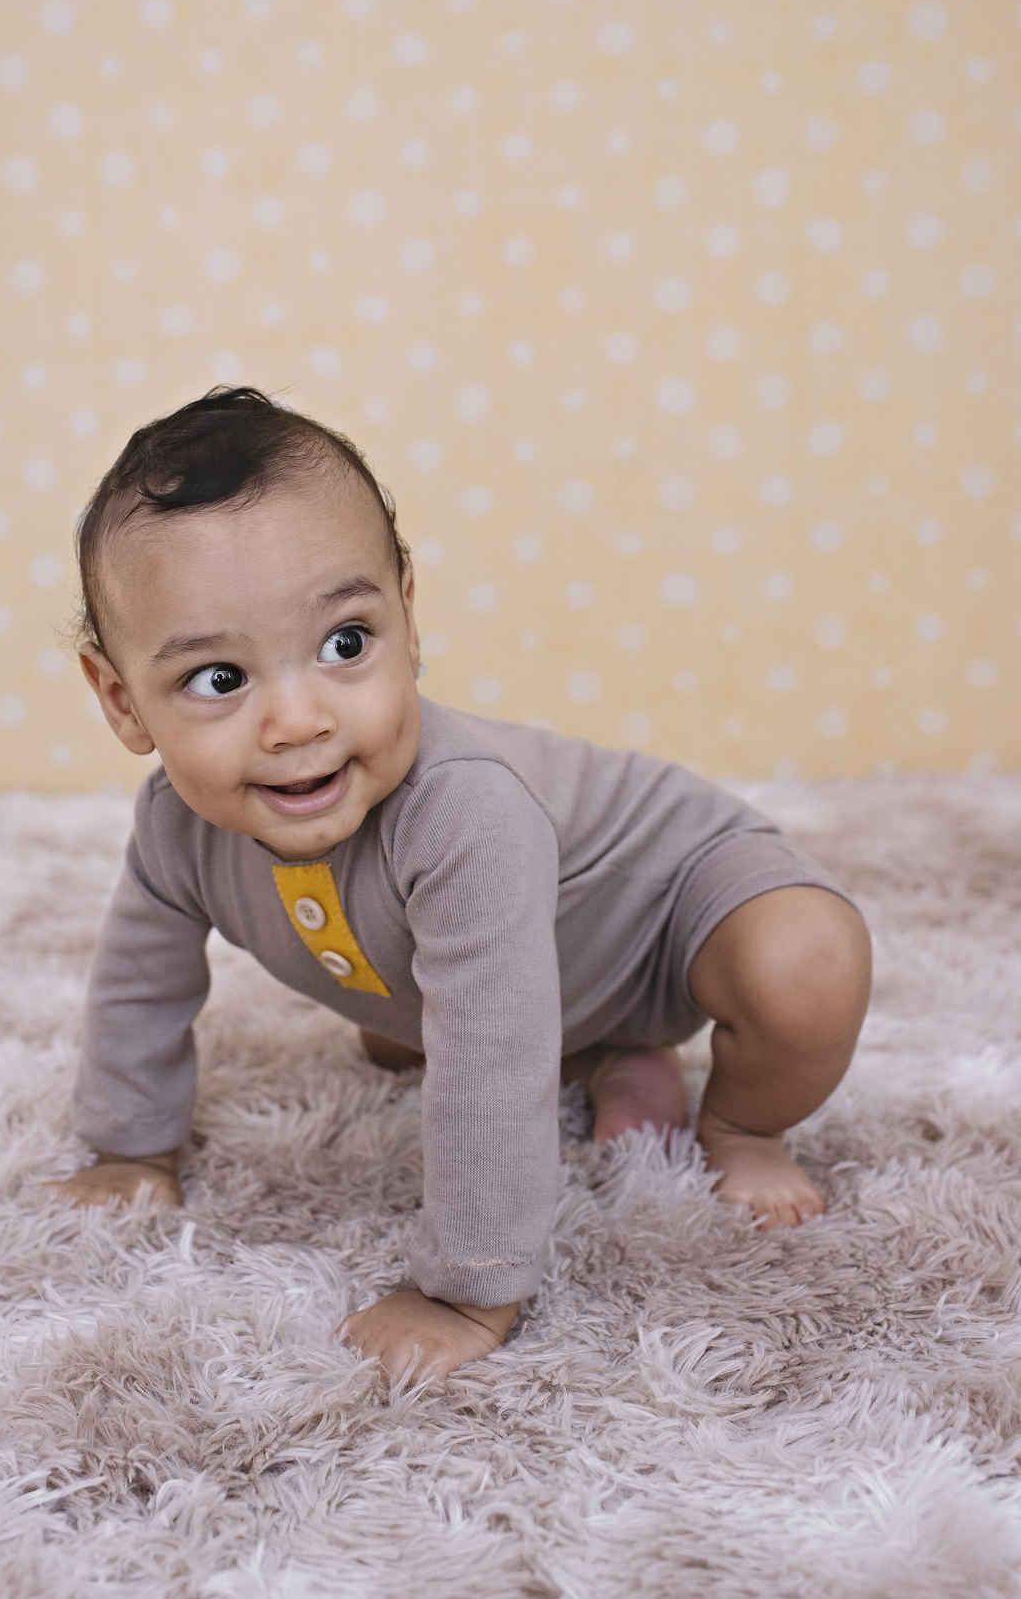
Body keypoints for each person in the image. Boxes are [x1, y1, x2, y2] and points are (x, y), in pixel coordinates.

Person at [48, 387, 871, 1385]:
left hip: (673, 910)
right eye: (219, 679)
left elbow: (489, 1054)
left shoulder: (462, 812)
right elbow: (139, 986)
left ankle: (739, 1122)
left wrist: (465, 1291)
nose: (299, 720)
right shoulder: (176, 827)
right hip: (545, 966)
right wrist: (129, 1152)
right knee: (396, 1034)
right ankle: (611, 1055)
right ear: (121, 700)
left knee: (806, 963)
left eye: (346, 643)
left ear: (408, 617)